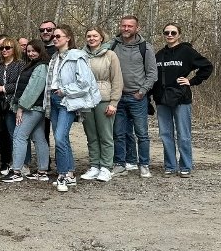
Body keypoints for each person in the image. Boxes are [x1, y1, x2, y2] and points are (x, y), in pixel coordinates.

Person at [152, 23, 213, 177]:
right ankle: (170, 166)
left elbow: (207, 66)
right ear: (164, 34)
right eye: (167, 32)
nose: (170, 35)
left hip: (181, 98)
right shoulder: (159, 55)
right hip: (162, 100)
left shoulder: (187, 51)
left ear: (179, 34)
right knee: (165, 134)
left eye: (173, 32)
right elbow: (153, 78)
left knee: (183, 134)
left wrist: (191, 81)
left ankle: (185, 165)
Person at [46, 25, 101, 192]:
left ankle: (62, 175)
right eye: (54, 36)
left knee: (60, 138)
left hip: (67, 101)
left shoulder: (77, 56)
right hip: (53, 100)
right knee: (62, 138)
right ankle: (70, 174)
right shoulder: (54, 57)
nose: (54, 38)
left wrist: (65, 91)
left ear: (68, 38)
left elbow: (84, 83)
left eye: (58, 36)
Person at [111, 15, 157, 178]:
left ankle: (144, 164)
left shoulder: (146, 47)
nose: (126, 29)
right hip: (117, 98)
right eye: (123, 26)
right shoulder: (113, 45)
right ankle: (120, 164)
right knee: (118, 133)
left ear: (137, 28)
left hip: (137, 98)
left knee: (142, 133)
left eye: (130, 26)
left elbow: (152, 73)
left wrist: (141, 92)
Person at [1, 40, 50, 182]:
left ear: (41, 51)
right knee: (39, 138)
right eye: (28, 51)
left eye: (34, 50)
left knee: (19, 136)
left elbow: (33, 90)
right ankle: (42, 171)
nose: (31, 53)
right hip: (34, 107)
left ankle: (16, 171)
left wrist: (21, 108)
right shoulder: (32, 65)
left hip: (32, 108)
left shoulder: (41, 67)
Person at [80, 28, 123, 183]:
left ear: (101, 38)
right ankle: (94, 165)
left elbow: (117, 80)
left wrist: (114, 103)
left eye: (95, 36)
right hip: (86, 100)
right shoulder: (81, 55)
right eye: (89, 36)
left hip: (104, 99)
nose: (91, 38)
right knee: (91, 135)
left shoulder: (110, 55)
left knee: (105, 135)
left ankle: (106, 167)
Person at [0, 37, 25, 174]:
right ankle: (6, 162)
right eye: (2, 48)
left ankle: (17, 163)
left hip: (14, 104)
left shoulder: (20, 64)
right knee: (2, 135)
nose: (4, 50)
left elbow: (20, 84)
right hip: (0, 105)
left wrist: (3, 88)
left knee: (14, 134)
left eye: (8, 48)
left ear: (14, 49)